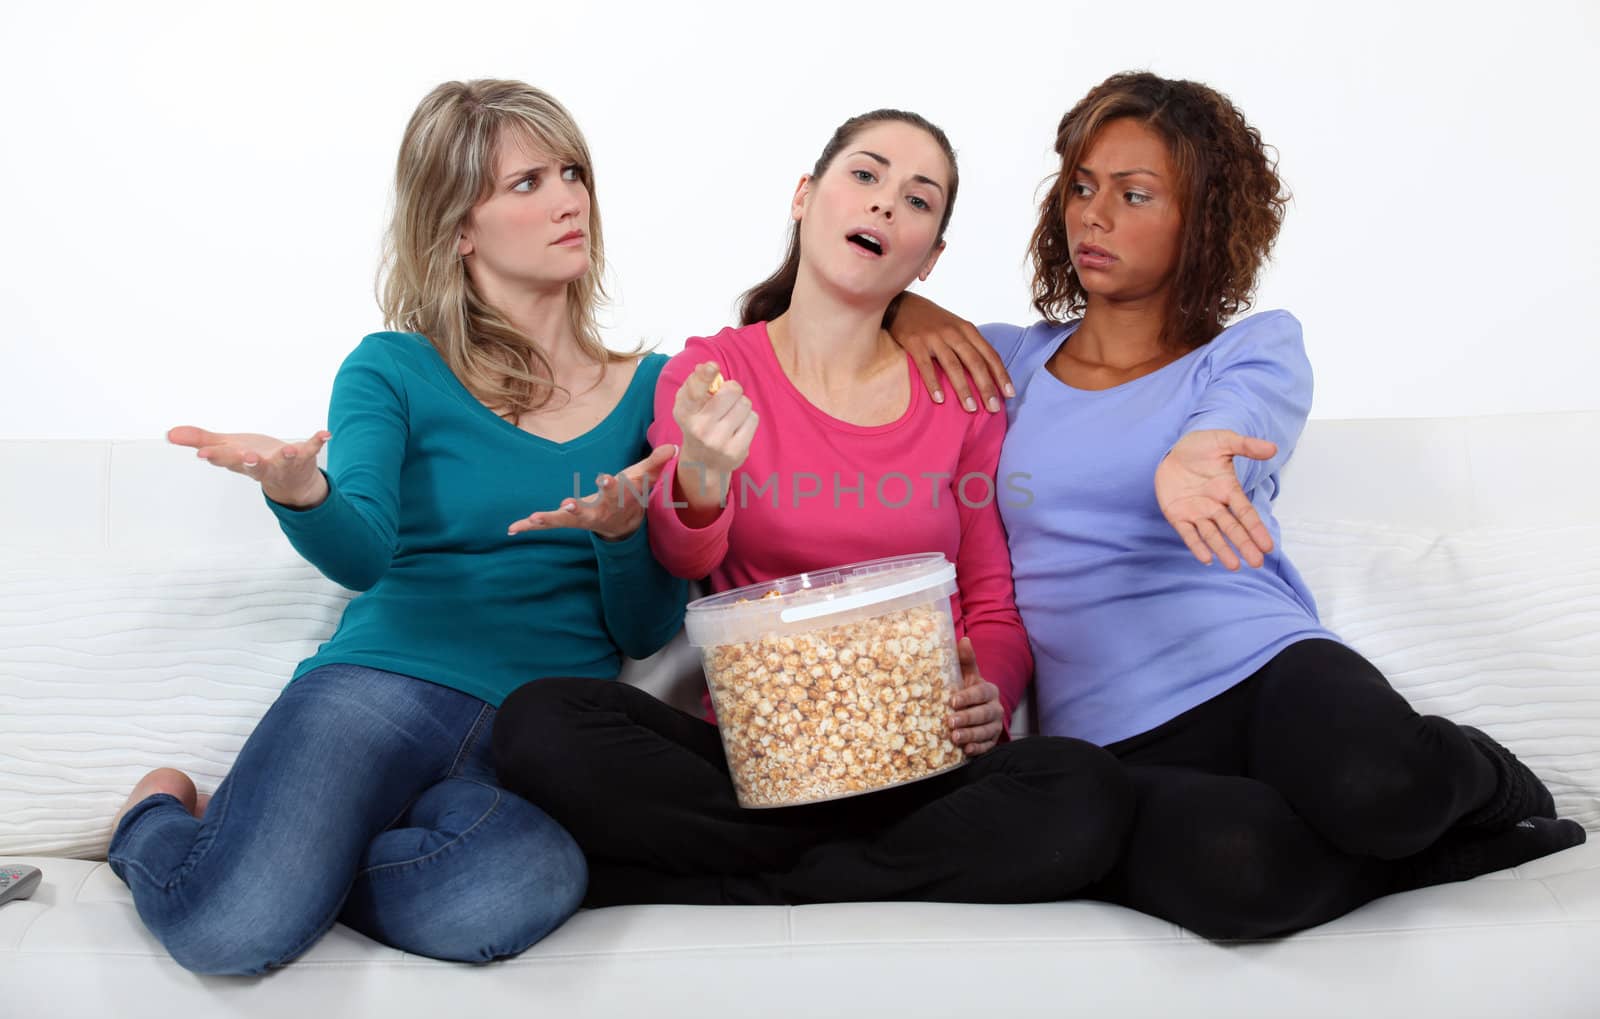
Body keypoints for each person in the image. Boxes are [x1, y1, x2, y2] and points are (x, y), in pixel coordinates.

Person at [886, 70, 1585, 938]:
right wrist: (905, 307)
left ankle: (1485, 772)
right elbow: (817, 303)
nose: (1092, 215)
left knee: (1383, 791)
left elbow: (1238, 419)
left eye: (1135, 194)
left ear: (1202, 222)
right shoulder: (1005, 365)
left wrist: (1192, 454)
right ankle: (1448, 861)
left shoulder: (1252, 352)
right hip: (1114, 735)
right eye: (1081, 185)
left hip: (1266, 670)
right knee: (1241, 878)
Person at [107, 79, 688, 974]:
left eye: (572, 171)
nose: (569, 198)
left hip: (536, 725)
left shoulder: (656, 389)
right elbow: (365, 553)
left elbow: (646, 630)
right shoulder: (393, 367)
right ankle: (153, 819)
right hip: (383, 686)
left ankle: (298, 862)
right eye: (526, 183)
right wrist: (302, 490)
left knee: (515, 887)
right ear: (459, 226)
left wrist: (619, 533)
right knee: (227, 930)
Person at [493, 109, 1133, 908]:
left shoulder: (960, 400)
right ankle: (851, 866)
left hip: (918, 758)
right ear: (805, 196)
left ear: (929, 258)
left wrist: (989, 691)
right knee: (538, 722)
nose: (884, 204)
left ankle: (766, 874)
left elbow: (993, 606)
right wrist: (702, 470)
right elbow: (684, 560)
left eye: (918, 199)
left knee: (1085, 787)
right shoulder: (711, 371)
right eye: (864, 175)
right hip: (758, 764)